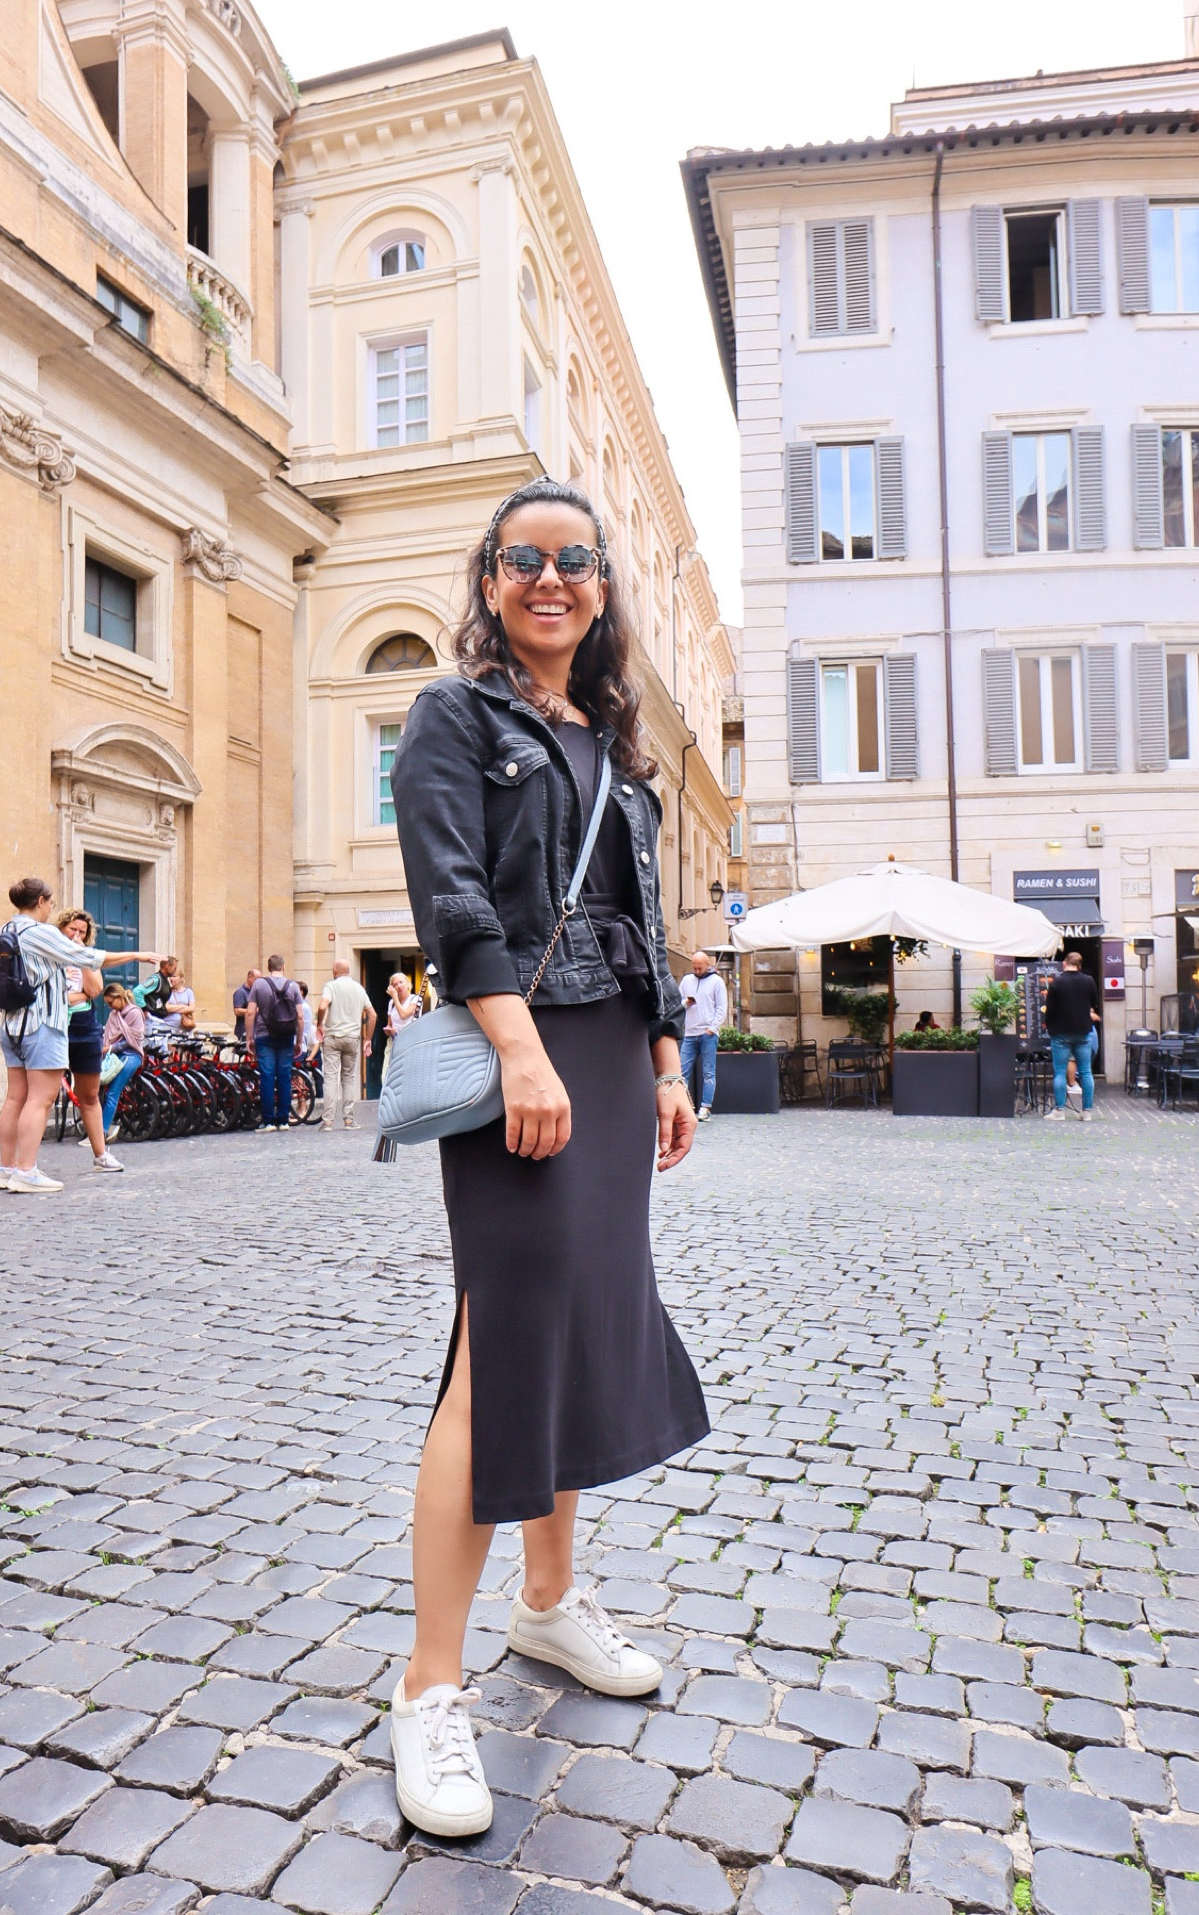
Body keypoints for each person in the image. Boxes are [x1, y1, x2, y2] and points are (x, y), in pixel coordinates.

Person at [389, 477, 705, 1838]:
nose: (553, 579)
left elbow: (643, 922)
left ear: (600, 587)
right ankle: (427, 1687)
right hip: (520, 1049)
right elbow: (449, 890)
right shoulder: (456, 716)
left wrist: (668, 1061)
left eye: (577, 560)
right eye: (527, 559)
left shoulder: (616, 752)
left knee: (577, 1334)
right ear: (491, 575)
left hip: (610, 1066)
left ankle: (546, 1603)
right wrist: (517, 1047)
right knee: (501, 1346)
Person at [0, 878, 107, 1193]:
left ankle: (6, 1169)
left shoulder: (5, 931)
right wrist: (138, 956)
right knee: (39, 1099)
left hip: (12, 1024)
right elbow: (90, 962)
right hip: (42, 1024)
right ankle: (27, 1171)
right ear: (41, 901)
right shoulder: (40, 932)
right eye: (50, 903)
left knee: (15, 1097)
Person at [53, 909, 156, 1173]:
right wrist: (78, 996)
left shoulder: (86, 956)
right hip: (53, 1026)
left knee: (89, 1094)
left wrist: (82, 958)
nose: (76, 936)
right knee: (44, 1094)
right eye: (72, 930)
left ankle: (101, 1155)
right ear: (61, 927)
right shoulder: (50, 951)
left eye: (82, 933)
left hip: (83, 1026)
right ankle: (24, 1163)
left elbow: (95, 990)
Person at [244, 955, 304, 1130]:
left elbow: (250, 1013)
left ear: (269, 967)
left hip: (264, 1034)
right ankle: (284, 1120)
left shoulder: (259, 984)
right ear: (284, 967)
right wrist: (299, 1040)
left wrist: (249, 1037)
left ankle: (268, 1120)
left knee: (267, 1076)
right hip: (286, 1035)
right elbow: (300, 1016)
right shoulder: (293, 986)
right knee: (285, 1076)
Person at [317, 959, 377, 1132]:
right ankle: (349, 1120)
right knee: (348, 1078)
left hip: (333, 1036)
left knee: (330, 1078)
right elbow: (372, 1015)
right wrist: (368, 1038)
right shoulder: (359, 988)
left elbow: (322, 1006)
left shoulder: (331, 986)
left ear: (335, 971)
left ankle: (327, 1121)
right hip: (352, 1038)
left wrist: (320, 1023)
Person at [1045, 952, 1101, 1122]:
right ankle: (1087, 1112)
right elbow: (1094, 1003)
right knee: (1086, 1072)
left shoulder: (1057, 982)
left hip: (1061, 1033)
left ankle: (1059, 1111)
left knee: (1060, 1072)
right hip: (1083, 1031)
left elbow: (1050, 1010)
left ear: (1064, 964)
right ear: (1079, 965)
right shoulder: (1089, 981)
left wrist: (1050, 1028)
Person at [678, 949, 727, 1118]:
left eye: (700, 967)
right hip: (690, 1033)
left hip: (708, 1033)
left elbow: (721, 1008)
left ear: (708, 965)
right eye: (694, 967)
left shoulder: (717, 982)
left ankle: (705, 1108)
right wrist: (686, 1003)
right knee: (681, 1072)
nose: (697, 971)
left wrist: (712, 1029)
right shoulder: (686, 980)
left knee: (708, 1072)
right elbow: (678, 1004)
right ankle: (683, 1107)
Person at [100, 982, 145, 1138]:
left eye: (111, 1003)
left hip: (132, 1055)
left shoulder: (134, 1013)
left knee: (113, 1091)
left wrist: (111, 1048)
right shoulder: (114, 1015)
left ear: (119, 997)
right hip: (114, 1055)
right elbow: (108, 1035)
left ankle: (102, 1131)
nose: (110, 1007)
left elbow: (133, 1039)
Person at [386, 972, 422, 1038]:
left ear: (407, 983)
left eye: (401, 982)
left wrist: (395, 998)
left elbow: (403, 1015)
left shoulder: (415, 999)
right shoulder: (391, 1002)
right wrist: (389, 1030)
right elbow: (389, 1025)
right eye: (395, 984)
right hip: (395, 1040)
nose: (399, 986)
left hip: (410, 1039)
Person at [233, 967, 261, 1041]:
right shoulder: (240, 992)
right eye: (257, 979)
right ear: (249, 977)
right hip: (244, 1031)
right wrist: (253, 1011)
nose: (258, 982)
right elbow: (237, 1011)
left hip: (256, 1031)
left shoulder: (256, 992)